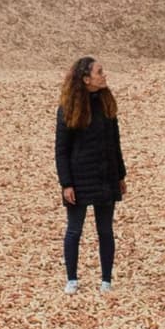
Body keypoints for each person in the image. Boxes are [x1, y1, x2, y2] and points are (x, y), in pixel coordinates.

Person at [54, 56, 126, 296]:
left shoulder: (107, 104)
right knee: (74, 229)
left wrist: (120, 175)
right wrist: (66, 184)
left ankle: (106, 280)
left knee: (105, 230)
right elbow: (61, 149)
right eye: (99, 72)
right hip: (80, 178)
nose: (104, 75)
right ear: (86, 79)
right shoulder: (68, 108)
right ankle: (72, 279)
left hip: (106, 175)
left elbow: (115, 143)